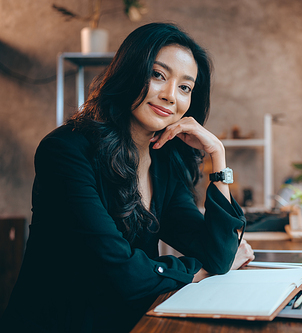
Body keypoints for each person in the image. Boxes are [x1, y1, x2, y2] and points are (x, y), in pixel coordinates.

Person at [0, 22, 254, 333]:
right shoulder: (65, 152)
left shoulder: (162, 161)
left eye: (185, 87)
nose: (171, 96)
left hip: (130, 322)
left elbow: (217, 253)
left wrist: (218, 156)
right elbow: (122, 273)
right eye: (158, 75)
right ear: (130, 72)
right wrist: (196, 271)